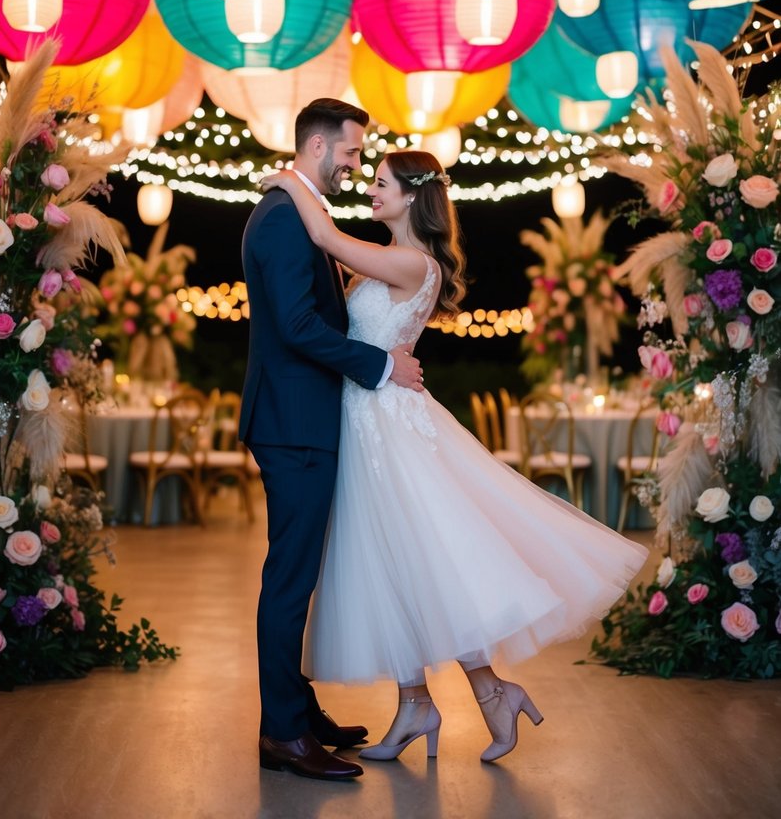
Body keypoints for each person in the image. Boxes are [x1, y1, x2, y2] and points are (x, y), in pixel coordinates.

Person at [259, 149, 648, 764]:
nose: (371, 190)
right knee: (392, 565)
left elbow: (323, 234)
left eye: (381, 183)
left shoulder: (413, 263)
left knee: (420, 559)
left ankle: (483, 692)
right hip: (367, 422)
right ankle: (425, 702)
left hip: (388, 429)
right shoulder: (392, 261)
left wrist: (287, 180)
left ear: (412, 197)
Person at [240, 99, 424, 782]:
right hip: (293, 426)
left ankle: (299, 713)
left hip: (299, 421)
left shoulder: (294, 211)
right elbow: (296, 328)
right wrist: (378, 366)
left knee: (297, 578)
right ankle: (283, 735)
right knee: (289, 581)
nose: (354, 165)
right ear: (318, 147)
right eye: (350, 153)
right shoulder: (286, 218)